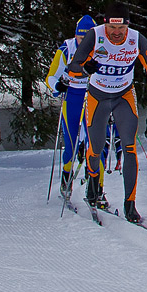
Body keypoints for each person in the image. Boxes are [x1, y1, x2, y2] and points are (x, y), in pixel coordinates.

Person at [66, 2, 147, 224]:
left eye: (121, 29)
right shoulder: (94, 35)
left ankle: (130, 205)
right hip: (98, 97)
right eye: (112, 29)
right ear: (105, 25)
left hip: (123, 96)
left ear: (127, 26)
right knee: (96, 147)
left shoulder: (136, 39)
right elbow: (74, 66)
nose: (116, 34)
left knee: (129, 147)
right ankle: (93, 185)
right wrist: (85, 67)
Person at [45, 14, 96, 195]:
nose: (84, 42)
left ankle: (95, 186)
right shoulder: (67, 48)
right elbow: (51, 76)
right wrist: (58, 85)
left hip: (92, 96)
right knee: (71, 144)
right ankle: (66, 177)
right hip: (72, 96)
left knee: (95, 144)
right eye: (81, 38)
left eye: (87, 38)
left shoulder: (100, 48)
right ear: (76, 35)